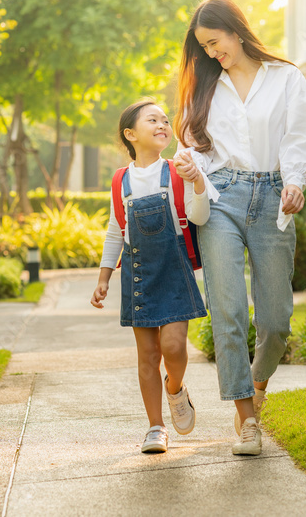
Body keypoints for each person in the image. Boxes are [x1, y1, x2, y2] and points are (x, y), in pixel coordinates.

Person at [173, 0, 306, 456]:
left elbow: (301, 139)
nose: (213, 53)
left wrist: (295, 183)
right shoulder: (204, 87)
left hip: (273, 198)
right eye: (205, 47)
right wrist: (188, 166)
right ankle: (245, 420)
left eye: (215, 42)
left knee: (277, 320)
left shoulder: (286, 78)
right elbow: (194, 147)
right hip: (220, 198)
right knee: (229, 311)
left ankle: (256, 387)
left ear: (236, 30)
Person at [91, 99, 210, 454]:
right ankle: (156, 427)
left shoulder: (177, 171)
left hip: (175, 269)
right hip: (138, 271)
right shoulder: (120, 180)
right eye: (152, 120)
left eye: (164, 120)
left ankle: (175, 388)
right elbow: (116, 232)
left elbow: (199, 218)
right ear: (131, 134)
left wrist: (199, 182)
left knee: (173, 347)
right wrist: (104, 277)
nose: (162, 124)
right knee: (147, 354)